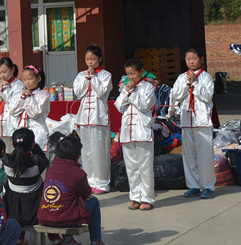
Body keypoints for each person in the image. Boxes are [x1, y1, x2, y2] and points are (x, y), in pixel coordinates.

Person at [37, 134, 105, 245]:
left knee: (61, 202)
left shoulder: (51, 169)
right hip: (67, 218)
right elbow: (87, 193)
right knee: (93, 201)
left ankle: (57, 240)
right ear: (78, 155)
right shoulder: (78, 173)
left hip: (45, 217)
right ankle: (95, 241)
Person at [171, 46, 216, 199]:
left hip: (202, 121)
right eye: (188, 59)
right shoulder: (181, 77)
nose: (191, 62)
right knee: (189, 155)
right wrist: (186, 84)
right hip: (186, 120)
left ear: (201, 59)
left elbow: (207, 96)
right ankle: (193, 185)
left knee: (205, 155)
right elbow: (176, 95)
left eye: (194, 59)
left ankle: (208, 186)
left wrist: (195, 84)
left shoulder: (206, 77)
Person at [115, 57, 156, 211]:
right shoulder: (124, 87)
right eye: (128, 74)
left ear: (141, 72)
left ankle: (147, 198)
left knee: (145, 167)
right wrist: (127, 92)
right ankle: (135, 197)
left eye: (133, 73)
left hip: (142, 131)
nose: (130, 77)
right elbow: (119, 106)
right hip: (128, 131)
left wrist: (131, 93)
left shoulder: (148, 87)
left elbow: (144, 105)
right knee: (131, 167)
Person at [73, 45, 113, 194]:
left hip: (99, 117)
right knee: (87, 151)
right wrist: (87, 78)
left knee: (99, 151)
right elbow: (78, 92)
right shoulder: (81, 75)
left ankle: (102, 182)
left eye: (93, 59)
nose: (90, 62)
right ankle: (89, 181)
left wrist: (94, 78)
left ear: (100, 59)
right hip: (85, 117)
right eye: (87, 59)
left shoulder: (106, 75)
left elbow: (102, 92)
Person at [2, 128, 48, 228]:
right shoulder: (37, 162)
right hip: (35, 208)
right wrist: (34, 147)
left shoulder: (6, 161)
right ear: (32, 145)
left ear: (12, 144)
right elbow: (44, 159)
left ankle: (19, 236)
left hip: (14, 209)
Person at [10, 65, 50, 150]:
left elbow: (34, 113)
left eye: (30, 79)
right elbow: (13, 111)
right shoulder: (21, 94)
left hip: (37, 131)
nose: (27, 82)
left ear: (38, 79)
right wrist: (22, 99)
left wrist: (28, 98)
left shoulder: (43, 95)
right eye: (25, 79)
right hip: (21, 131)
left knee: (37, 154)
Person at [0, 57, 24, 148]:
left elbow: (14, 105)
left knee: (12, 149)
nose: (2, 75)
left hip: (11, 122)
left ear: (12, 69)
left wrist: (6, 90)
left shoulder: (19, 85)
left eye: (4, 72)